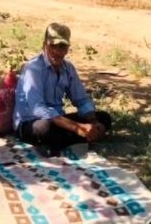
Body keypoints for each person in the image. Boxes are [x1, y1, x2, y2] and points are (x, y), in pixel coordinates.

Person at [13, 23, 112, 157]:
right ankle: (75, 138)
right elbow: (38, 110)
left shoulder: (68, 68)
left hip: (59, 121)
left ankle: (67, 140)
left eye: (62, 46)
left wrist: (93, 122)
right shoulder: (34, 69)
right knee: (45, 128)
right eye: (53, 46)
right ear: (44, 45)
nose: (57, 51)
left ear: (67, 49)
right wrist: (77, 128)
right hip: (31, 123)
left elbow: (81, 100)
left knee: (104, 118)